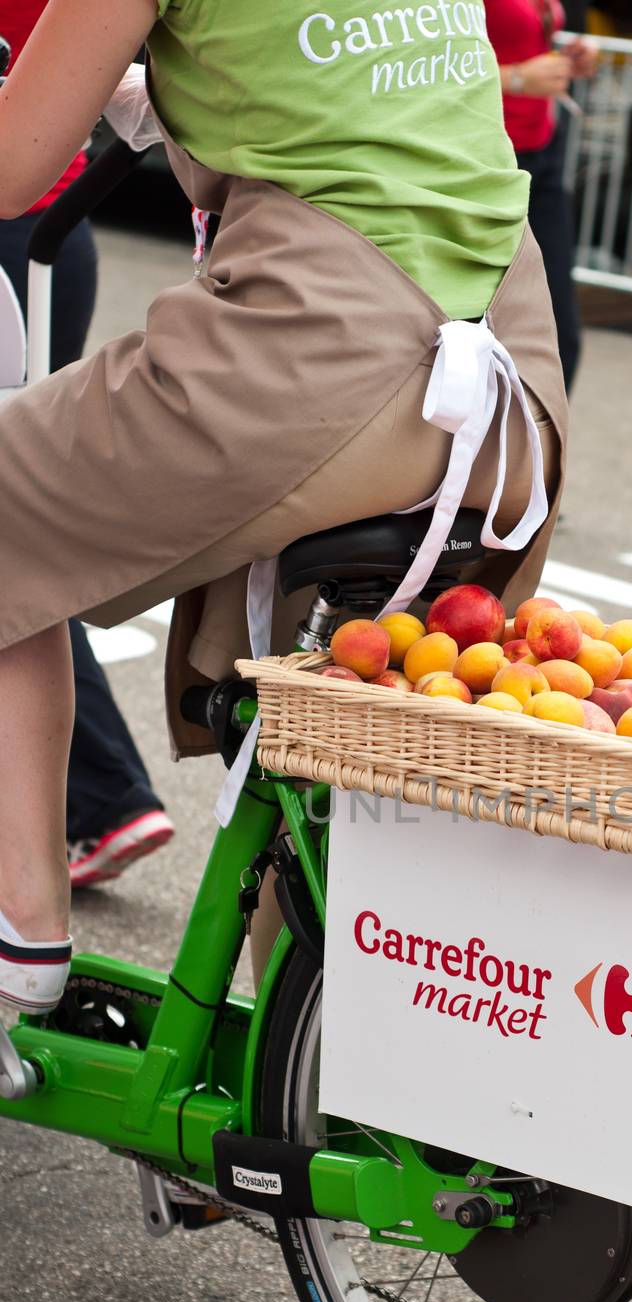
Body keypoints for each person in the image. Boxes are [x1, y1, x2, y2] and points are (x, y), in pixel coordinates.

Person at [0, 0, 565, 1019]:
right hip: (509, 401)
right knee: (287, 726)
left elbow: (13, 162)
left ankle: (21, 935)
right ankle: (293, 1088)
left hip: (324, 365)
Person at [0, 1, 174, 889]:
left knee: (13, 527)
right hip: (48, 224)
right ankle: (100, 800)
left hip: (18, 220)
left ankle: (101, 798)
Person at [486, 1, 597, 389]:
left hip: (541, 153)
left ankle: (540, 447)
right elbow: (427, 66)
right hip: (485, 157)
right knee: (475, 328)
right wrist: (515, 78)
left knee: (557, 333)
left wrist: (570, 57)